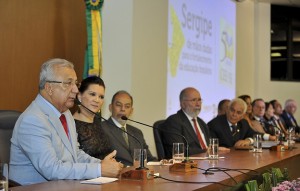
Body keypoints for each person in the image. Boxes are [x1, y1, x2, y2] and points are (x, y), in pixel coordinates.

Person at [9, 58, 123, 185]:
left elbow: (76, 155)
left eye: (75, 83)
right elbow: (51, 169)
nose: (75, 89)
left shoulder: (66, 114)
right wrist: (99, 169)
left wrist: (103, 164)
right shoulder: (33, 120)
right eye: (68, 83)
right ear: (49, 88)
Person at [101, 90, 156, 167]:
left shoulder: (137, 132)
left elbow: (149, 159)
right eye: (118, 105)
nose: (123, 109)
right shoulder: (101, 128)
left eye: (127, 106)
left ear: (131, 111)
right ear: (110, 107)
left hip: (139, 175)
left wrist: (161, 164)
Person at [161, 87, 210, 159]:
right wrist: (205, 150)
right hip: (185, 165)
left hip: (206, 163)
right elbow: (178, 150)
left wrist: (214, 149)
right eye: (194, 100)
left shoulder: (201, 122)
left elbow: (208, 146)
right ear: (183, 104)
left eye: (199, 100)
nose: (198, 104)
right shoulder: (173, 122)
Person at [73, 76, 113, 160]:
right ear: (79, 96)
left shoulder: (97, 121)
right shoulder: (71, 124)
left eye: (101, 97)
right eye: (92, 94)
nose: (97, 100)